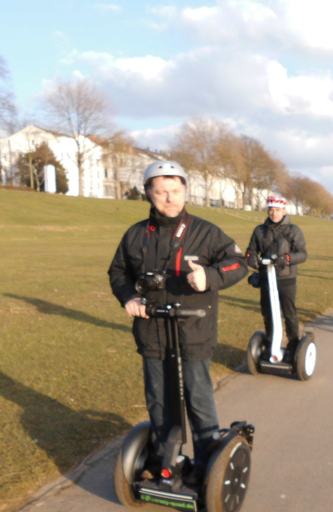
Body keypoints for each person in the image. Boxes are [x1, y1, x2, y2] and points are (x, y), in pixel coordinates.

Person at [108, 160, 248, 480]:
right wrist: (129, 297)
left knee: (197, 398)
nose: (169, 198)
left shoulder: (206, 232)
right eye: (161, 192)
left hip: (193, 328)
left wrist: (210, 276)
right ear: (148, 194)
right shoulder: (136, 235)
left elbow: (239, 263)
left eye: (175, 190)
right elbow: (118, 272)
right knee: (158, 398)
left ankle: (205, 463)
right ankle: (162, 461)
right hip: (152, 329)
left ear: (185, 190)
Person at [245, 195, 308, 363]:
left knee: (289, 314)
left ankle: (293, 346)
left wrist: (287, 258)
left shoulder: (293, 230)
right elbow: (251, 249)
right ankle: (270, 343)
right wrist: (250, 257)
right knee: (268, 313)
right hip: (267, 277)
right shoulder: (260, 230)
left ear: (284, 211)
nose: (273, 213)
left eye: (277, 210)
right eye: (271, 210)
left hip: (286, 278)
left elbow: (302, 254)